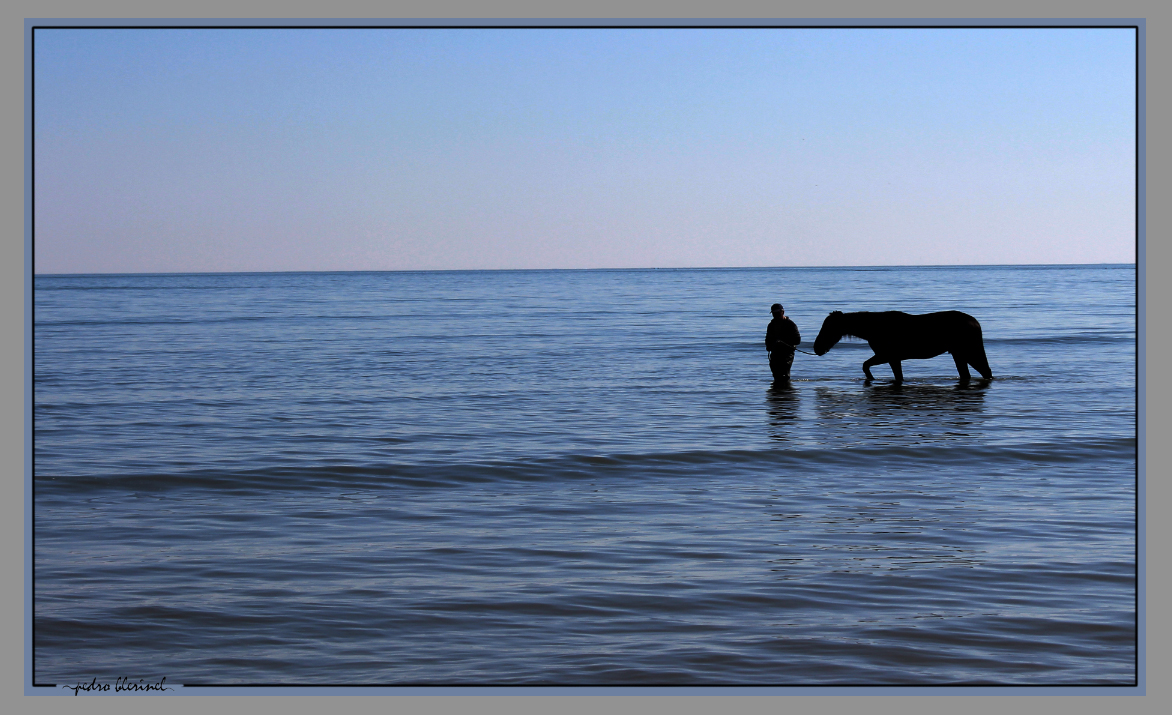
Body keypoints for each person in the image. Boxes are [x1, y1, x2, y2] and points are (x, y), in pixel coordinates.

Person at [765, 303, 801, 381]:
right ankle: (778, 391)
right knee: (776, 374)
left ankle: (786, 390)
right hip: (775, 353)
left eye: (777, 313)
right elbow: (768, 339)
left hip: (787, 354)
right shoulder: (771, 325)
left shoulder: (790, 324)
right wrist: (768, 346)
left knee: (784, 374)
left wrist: (784, 341)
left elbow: (797, 340)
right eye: (774, 313)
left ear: (782, 312)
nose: (776, 315)